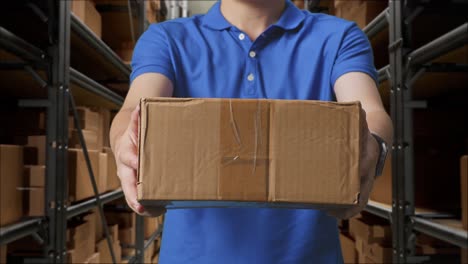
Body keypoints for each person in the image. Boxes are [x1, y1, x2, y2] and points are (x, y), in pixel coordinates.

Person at [109, 0, 393, 263]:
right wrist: (125, 146)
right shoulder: (168, 39)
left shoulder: (338, 36)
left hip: (307, 255)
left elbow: (369, 111)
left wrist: (373, 146)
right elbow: (135, 108)